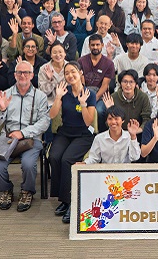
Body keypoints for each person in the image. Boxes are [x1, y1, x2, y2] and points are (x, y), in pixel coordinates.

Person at [0, 61, 50, 212]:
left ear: (32, 75)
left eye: (26, 73)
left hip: (31, 139)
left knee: (29, 164)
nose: (23, 75)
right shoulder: (6, 94)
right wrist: (2, 109)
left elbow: (44, 122)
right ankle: (6, 190)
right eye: (19, 72)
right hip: (8, 138)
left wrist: (23, 132)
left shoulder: (40, 96)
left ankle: (27, 191)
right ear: (15, 75)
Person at [48, 62, 97, 223]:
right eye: (67, 73)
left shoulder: (90, 93)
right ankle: (62, 198)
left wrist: (83, 104)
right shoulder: (64, 91)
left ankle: (71, 201)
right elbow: (52, 115)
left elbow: (89, 121)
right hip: (65, 131)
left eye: (73, 72)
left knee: (67, 160)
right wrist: (57, 97)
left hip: (83, 134)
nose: (70, 75)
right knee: (54, 156)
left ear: (80, 72)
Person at [101, 70, 152, 136]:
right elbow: (108, 124)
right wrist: (111, 110)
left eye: (131, 82)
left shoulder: (143, 97)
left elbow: (147, 119)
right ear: (120, 83)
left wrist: (137, 131)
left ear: (136, 84)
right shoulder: (113, 97)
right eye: (125, 82)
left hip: (138, 133)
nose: (128, 85)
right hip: (118, 134)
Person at [77, 34, 114, 102]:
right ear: (89, 46)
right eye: (92, 45)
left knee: (99, 110)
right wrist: (85, 97)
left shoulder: (109, 63)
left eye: (97, 45)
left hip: (101, 95)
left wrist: (94, 99)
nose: (95, 47)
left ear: (102, 45)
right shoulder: (81, 61)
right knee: (78, 109)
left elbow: (105, 85)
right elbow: (81, 82)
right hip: (85, 93)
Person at [38, 41, 69, 108]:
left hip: (67, 101)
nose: (58, 55)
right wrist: (50, 80)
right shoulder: (44, 68)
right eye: (54, 52)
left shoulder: (70, 68)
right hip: (49, 103)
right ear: (51, 55)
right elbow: (43, 92)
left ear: (65, 53)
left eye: (60, 52)